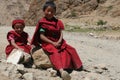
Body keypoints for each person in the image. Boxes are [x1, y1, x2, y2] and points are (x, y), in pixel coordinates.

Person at [31, 1, 82, 80]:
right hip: (48, 43)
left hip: (58, 41)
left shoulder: (58, 22)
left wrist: (59, 41)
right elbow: (42, 36)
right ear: (44, 11)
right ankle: (61, 71)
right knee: (54, 52)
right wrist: (53, 43)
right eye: (48, 11)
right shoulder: (43, 23)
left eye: (52, 11)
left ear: (55, 12)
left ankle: (78, 66)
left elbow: (61, 33)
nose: (50, 13)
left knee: (71, 49)